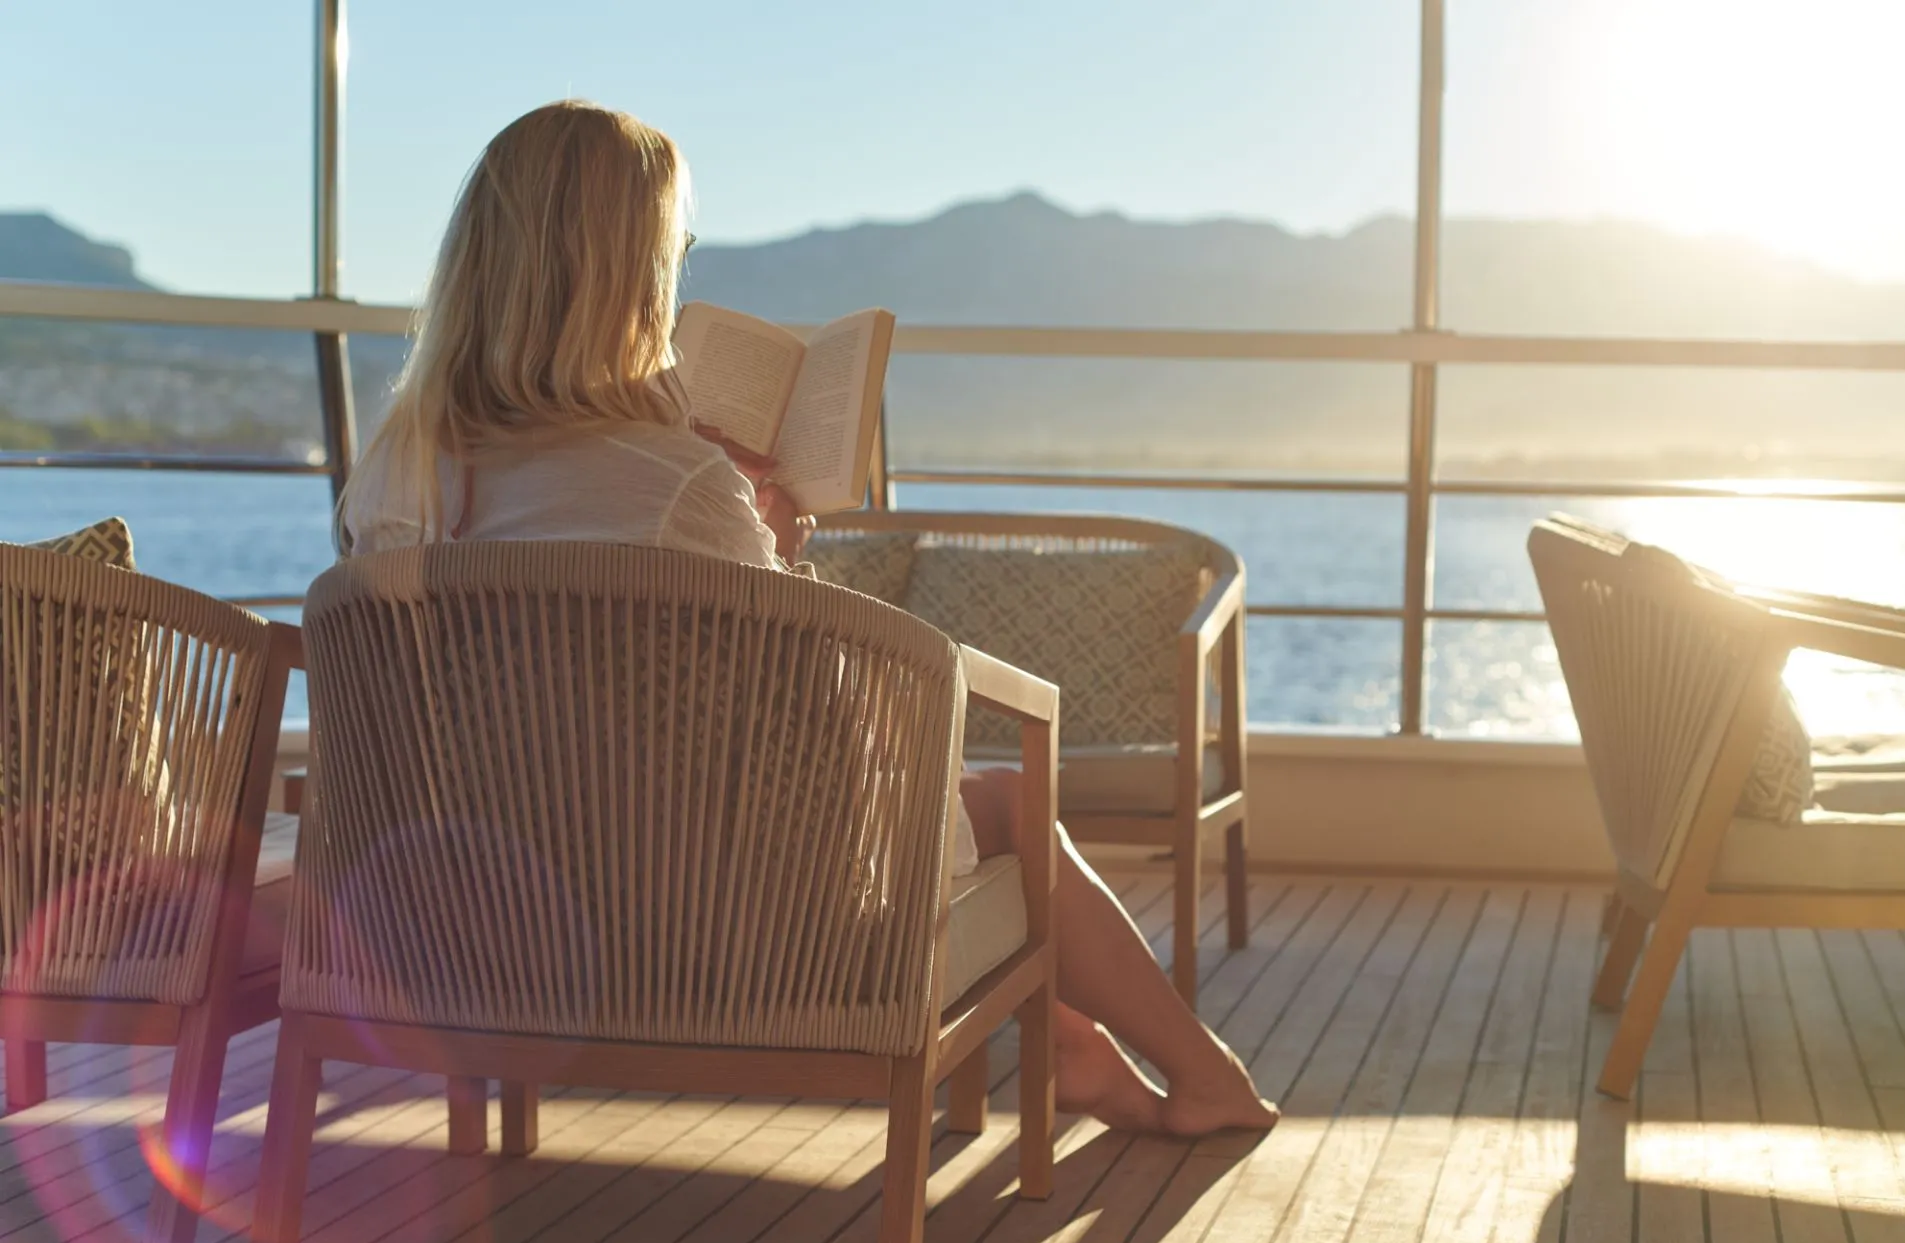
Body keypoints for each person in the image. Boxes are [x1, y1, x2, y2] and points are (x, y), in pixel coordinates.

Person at [336, 100, 1275, 1137]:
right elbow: (816, 725)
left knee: (963, 804)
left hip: (473, 908)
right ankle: (1204, 1075)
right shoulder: (675, 482)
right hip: (715, 925)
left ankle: (1083, 1049)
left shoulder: (393, 474)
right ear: (628, 276)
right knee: (1006, 799)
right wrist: (773, 543)